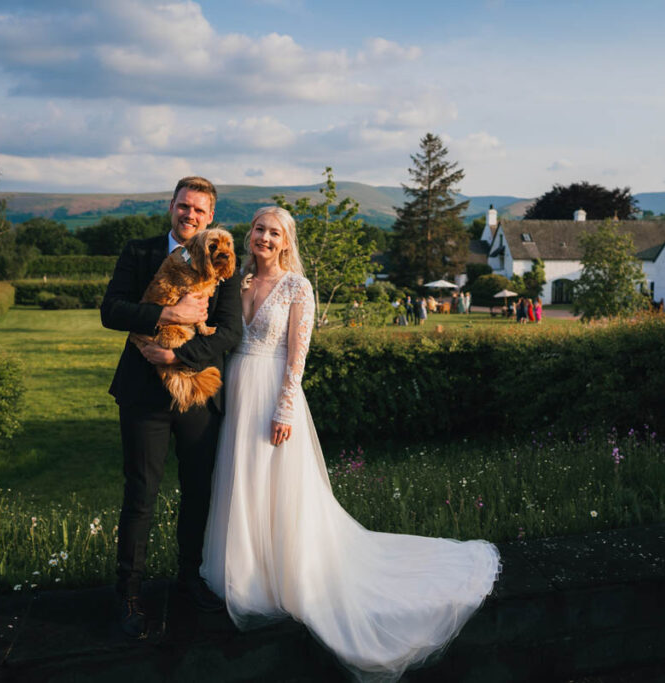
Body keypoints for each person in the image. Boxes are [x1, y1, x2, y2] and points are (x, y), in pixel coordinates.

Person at [201, 206, 500, 681]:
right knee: (242, 480)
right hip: (236, 389)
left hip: (274, 393)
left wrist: (284, 406)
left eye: (274, 232)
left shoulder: (298, 287)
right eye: (258, 228)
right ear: (249, 234)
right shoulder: (232, 283)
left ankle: (287, 573)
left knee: (276, 483)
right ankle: (247, 569)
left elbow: (298, 354)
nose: (264, 236)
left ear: (285, 242)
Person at [101, 176, 241, 638]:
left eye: (200, 211)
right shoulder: (139, 253)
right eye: (184, 207)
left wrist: (178, 356)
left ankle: (189, 579)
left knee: (198, 491)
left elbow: (228, 332)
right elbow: (112, 311)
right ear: (171, 207)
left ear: (211, 217)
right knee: (141, 494)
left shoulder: (223, 262)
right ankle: (129, 594)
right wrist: (167, 315)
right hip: (144, 396)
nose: (191, 216)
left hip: (198, 395)